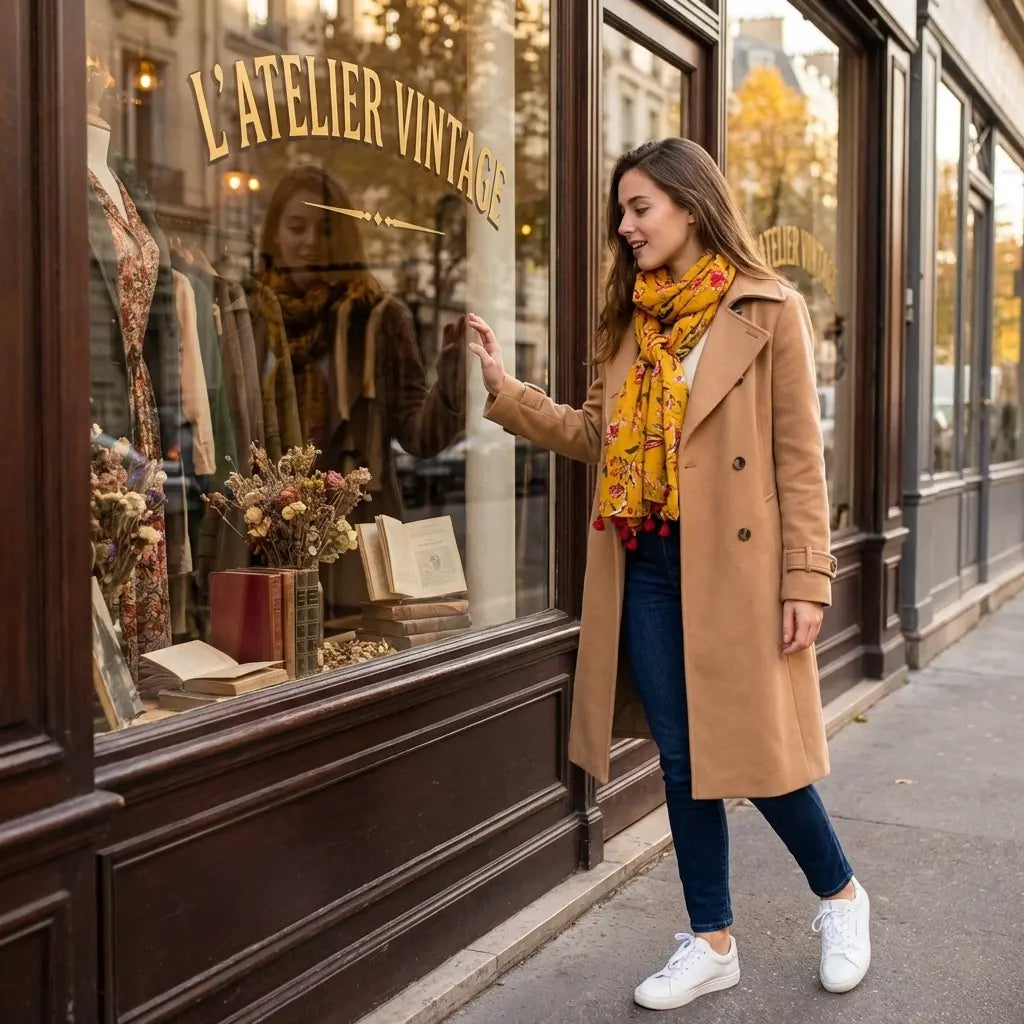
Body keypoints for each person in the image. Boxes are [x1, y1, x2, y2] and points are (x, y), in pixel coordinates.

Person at [466, 138, 870, 1011]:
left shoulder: (770, 308)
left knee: (757, 756)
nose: (625, 226)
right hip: (644, 561)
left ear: (690, 205)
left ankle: (839, 895)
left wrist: (808, 577)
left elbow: (801, 462)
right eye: (622, 210)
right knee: (684, 763)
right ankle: (710, 938)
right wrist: (509, 392)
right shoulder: (632, 322)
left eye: (639, 207)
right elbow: (595, 436)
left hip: (740, 570)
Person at [256, 165, 466, 614]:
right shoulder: (250, 318)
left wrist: (452, 377)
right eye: (296, 227)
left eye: (325, 228)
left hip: (355, 544)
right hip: (267, 544)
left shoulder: (379, 318)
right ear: (274, 235)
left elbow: (419, 437)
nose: (310, 242)